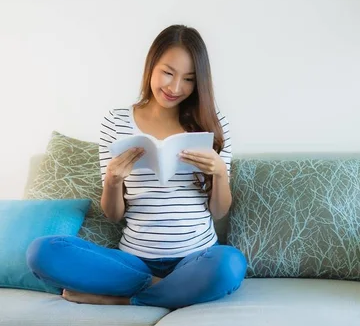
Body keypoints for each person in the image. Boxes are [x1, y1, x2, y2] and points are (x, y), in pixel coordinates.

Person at [26, 24, 248, 309]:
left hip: (198, 258)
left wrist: (218, 171)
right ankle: (166, 291)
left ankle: (125, 298)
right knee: (42, 251)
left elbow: (219, 210)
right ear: (151, 65)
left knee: (230, 264)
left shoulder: (212, 125)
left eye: (189, 79)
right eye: (168, 73)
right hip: (133, 263)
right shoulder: (117, 122)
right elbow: (113, 214)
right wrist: (113, 180)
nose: (175, 88)